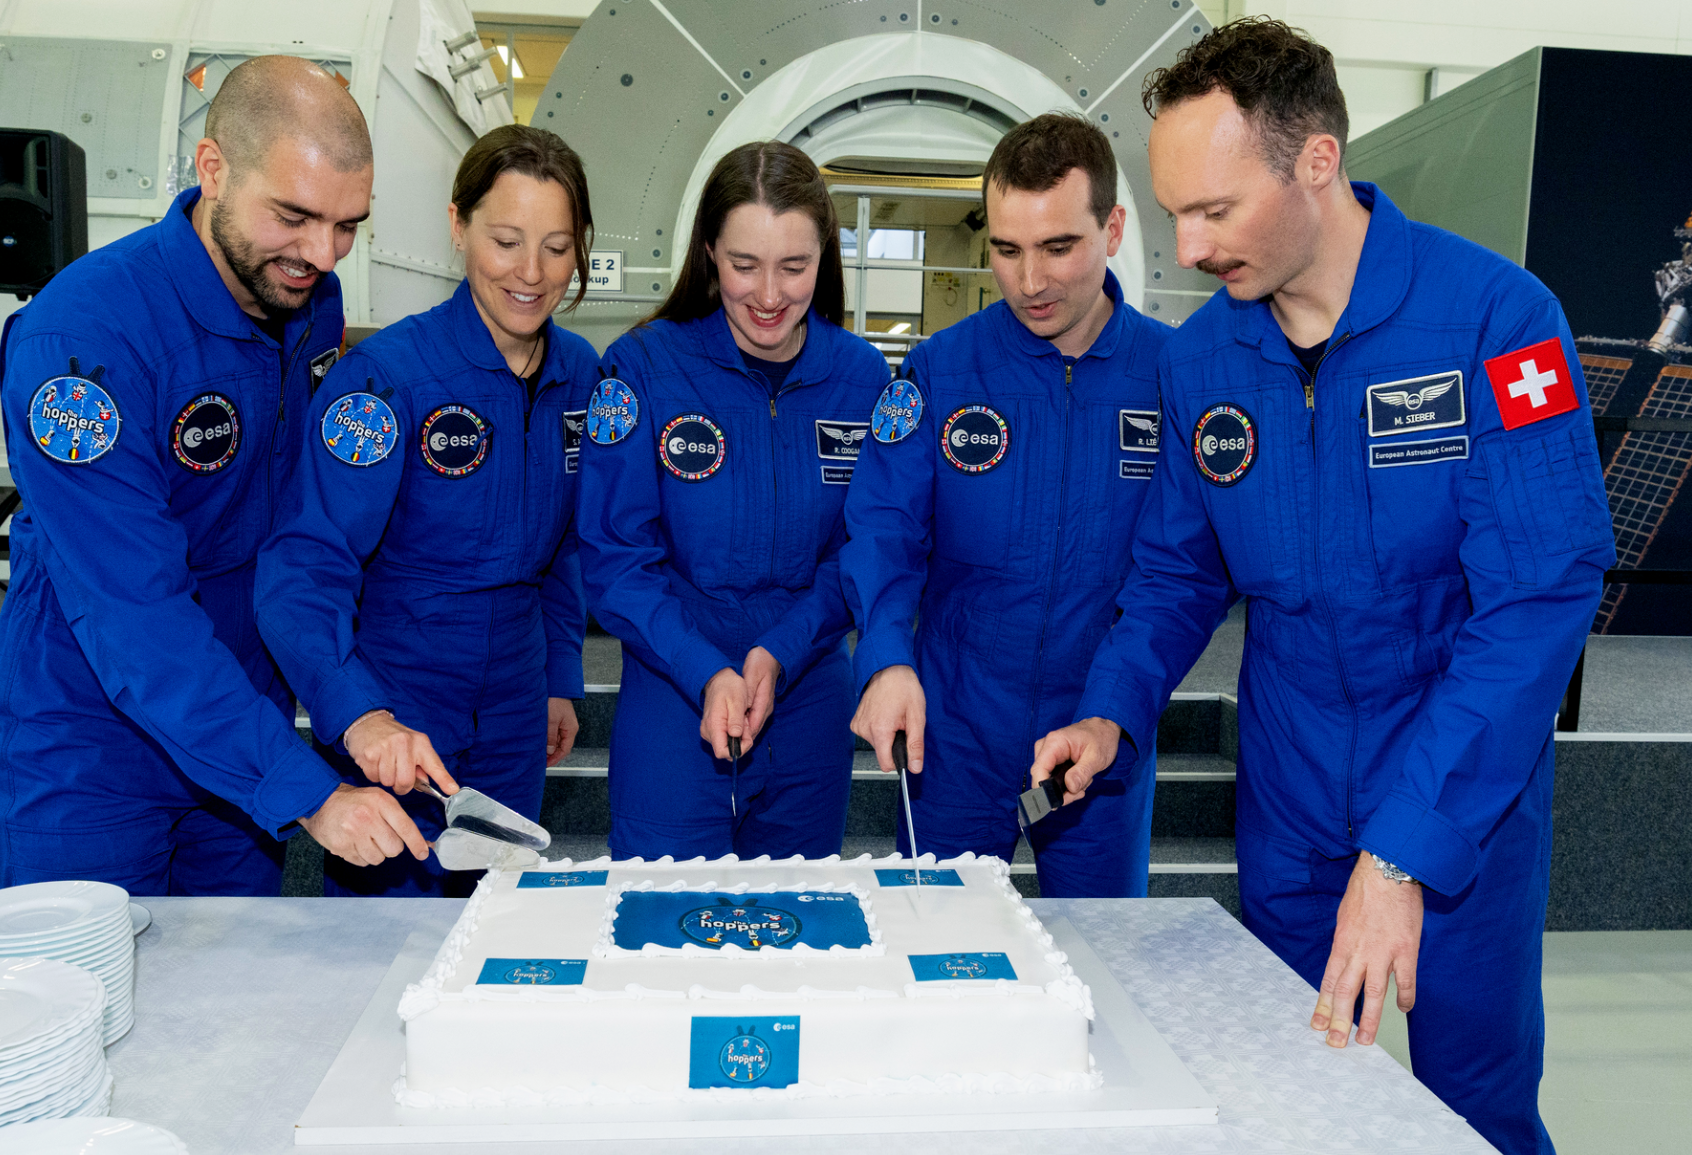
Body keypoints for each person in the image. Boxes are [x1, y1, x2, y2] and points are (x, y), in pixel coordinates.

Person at [1028, 20, 1614, 1154]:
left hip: (1456, 785)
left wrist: (1401, 851)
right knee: (1280, 1085)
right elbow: (1171, 572)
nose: (1187, 251)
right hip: (1288, 779)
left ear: (1315, 162)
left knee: (1472, 1105)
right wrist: (1111, 706)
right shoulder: (1203, 362)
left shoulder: (1497, 324)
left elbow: (1536, 601)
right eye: (1172, 215)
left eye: (1213, 212)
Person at [0, 56, 433, 895]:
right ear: (213, 168)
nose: (320, 253)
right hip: (95, 741)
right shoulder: (82, 343)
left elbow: (299, 545)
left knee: (234, 1018)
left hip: (242, 735)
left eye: (346, 226)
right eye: (295, 216)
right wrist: (307, 792)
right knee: (86, 1008)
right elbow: (135, 612)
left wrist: (354, 710)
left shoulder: (307, 304)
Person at [254, 125, 598, 897]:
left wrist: (558, 676)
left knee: (498, 923)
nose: (531, 273)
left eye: (556, 246)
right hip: (401, 694)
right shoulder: (385, 382)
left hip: (516, 692)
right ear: (457, 226)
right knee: (384, 945)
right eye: (506, 240)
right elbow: (302, 572)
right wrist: (359, 715)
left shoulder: (580, 374)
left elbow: (566, 544)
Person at [840, 114, 1170, 897]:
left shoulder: (1174, 376)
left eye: (1059, 247)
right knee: (938, 967)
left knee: (1098, 970)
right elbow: (883, 528)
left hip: (1099, 735)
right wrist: (885, 655)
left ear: (1113, 228)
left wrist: (1115, 712)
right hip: (953, 735)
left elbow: (1184, 570)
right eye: (1006, 249)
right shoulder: (937, 372)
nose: (1029, 281)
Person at [577, 141, 888, 859]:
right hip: (673, 679)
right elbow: (616, 557)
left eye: (794, 266)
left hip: (806, 683)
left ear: (825, 259)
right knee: (662, 926)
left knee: (798, 926)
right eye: (744, 265)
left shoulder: (861, 378)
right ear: (709, 253)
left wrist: (780, 651)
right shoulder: (644, 367)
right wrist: (702, 667)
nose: (770, 294)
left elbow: (865, 547)